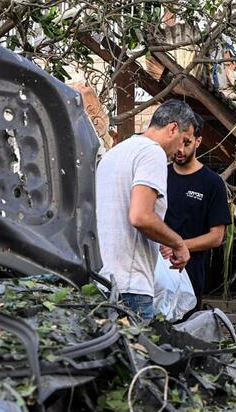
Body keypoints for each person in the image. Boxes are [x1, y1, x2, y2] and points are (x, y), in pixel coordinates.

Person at [95, 99, 198, 320]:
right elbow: (140, 216)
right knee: (138, 352)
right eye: (184, 140)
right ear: (172, 128)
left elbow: (119, 215)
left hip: (102, 282)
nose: (181, 149)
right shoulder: (153, 153)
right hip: (130, 287)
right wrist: (177, 243)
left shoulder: (116, 153)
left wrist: (159, 238)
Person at [162, 115, 232, 309]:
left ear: (198, 141)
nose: (180, 150)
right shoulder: (158, 173)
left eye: (187, 143)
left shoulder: (212, 183)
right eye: (177, 142)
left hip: (190, 277)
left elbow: (217, 237)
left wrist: (178, 245)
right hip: (153, 272)